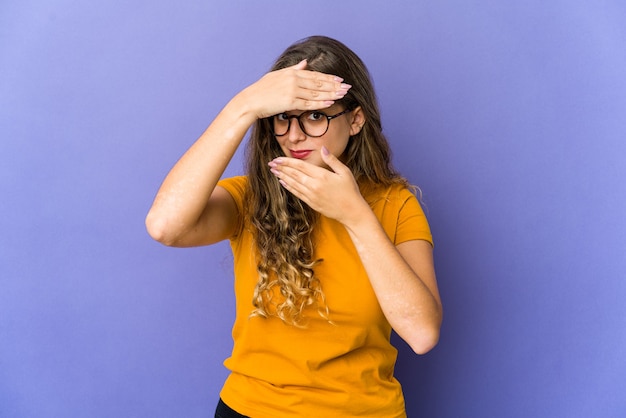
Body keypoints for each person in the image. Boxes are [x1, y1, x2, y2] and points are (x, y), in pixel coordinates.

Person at [146, 35, 442, 418]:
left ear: (355, 120)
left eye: (316, 115)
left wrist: (355, 216)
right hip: (251, 408)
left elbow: (421, 334)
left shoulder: (395, 204)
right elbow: (164, 226)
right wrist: (244, 105)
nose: (295, 134)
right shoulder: (250, 198)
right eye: (283, 117)